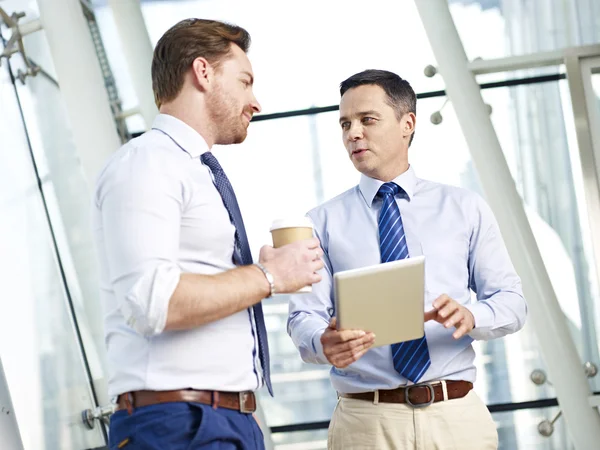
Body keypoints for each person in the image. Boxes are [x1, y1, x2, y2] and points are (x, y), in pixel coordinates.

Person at [92, 19, 324, 449]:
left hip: (223, 420)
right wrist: (269, 278)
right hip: (179, 424)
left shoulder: (192, 170)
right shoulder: (147, 163)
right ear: (202, 72)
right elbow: (152, 302)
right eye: (245, 81)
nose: (255, 101)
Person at [287, 69, 527, 450]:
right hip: (365, 424)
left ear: (407, 124)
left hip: (456, 419)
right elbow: (303, 317)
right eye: (345, 123)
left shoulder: (463, 207)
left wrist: (472, 316)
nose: (353, 133)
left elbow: (512, 302)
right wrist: (322, 341)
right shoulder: (320, 223)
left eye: (367, 120)